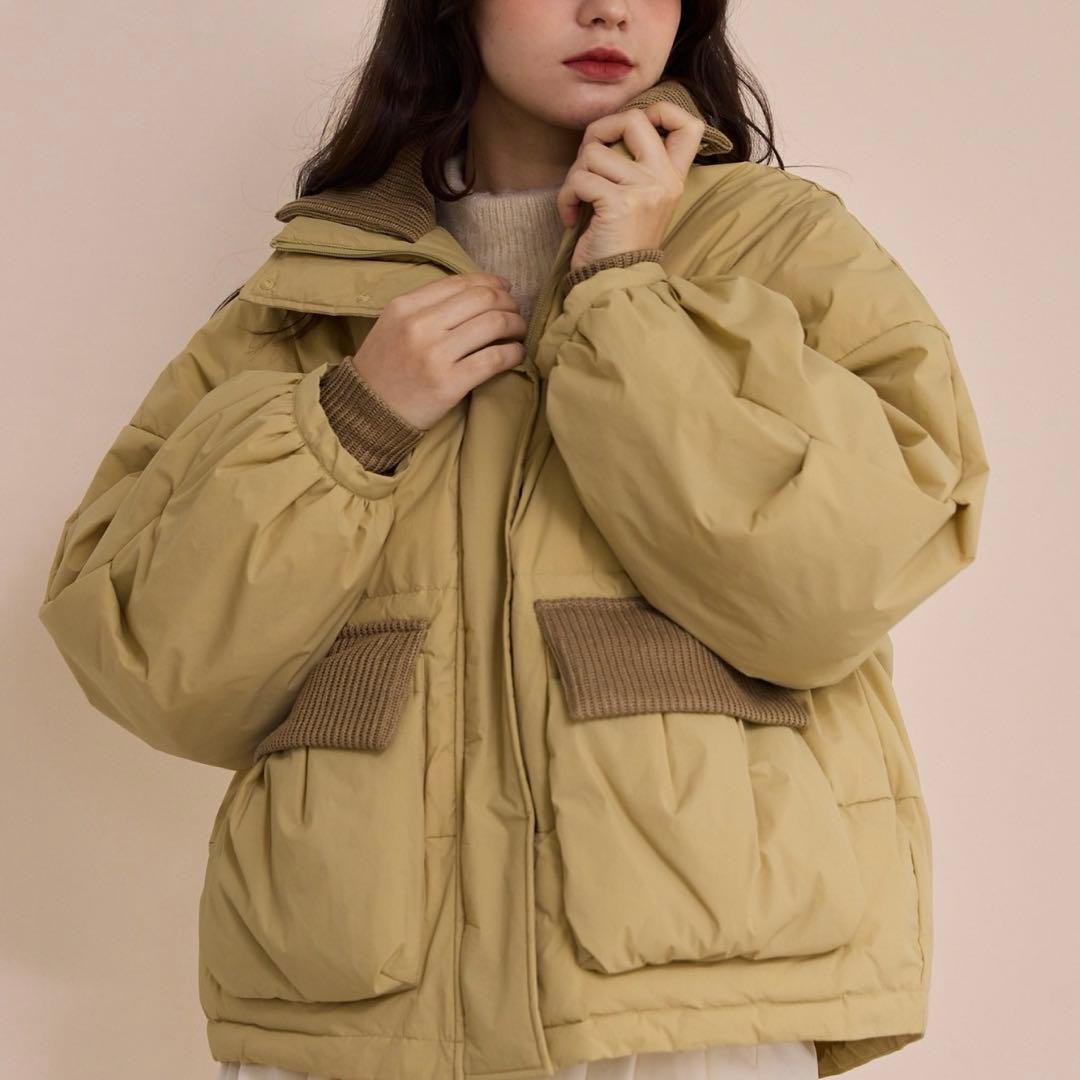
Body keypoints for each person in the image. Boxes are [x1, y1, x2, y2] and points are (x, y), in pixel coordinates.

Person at [37, 1, 990, 1078]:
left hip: (680, 1002)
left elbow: (837, 584)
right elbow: (149, 662)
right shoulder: (306, 295)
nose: (609, 8)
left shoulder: (782, 249)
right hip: (356, 1010)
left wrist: (625, 296)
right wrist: (351, 423)